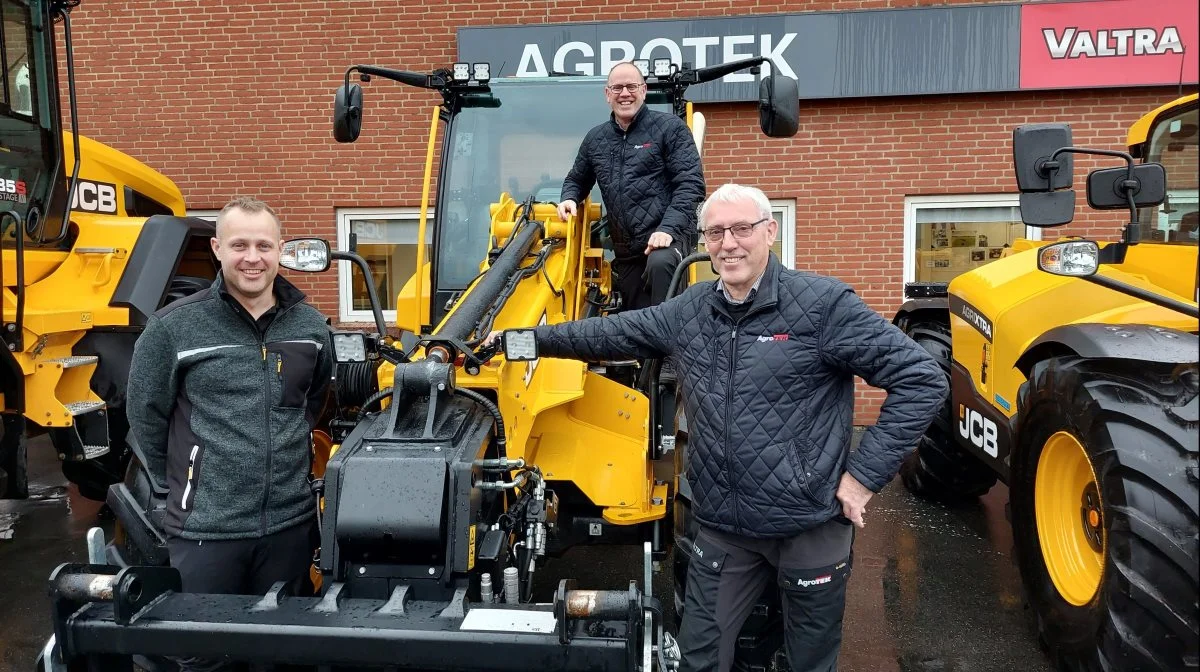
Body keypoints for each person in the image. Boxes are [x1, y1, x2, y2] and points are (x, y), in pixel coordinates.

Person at [488, 184, 948, 671]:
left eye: (741, 229)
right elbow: (609, 331)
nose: (728, 243)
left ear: (770, 232)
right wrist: (521, 341)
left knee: (809, 663)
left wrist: (861, 479)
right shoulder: (691, 311)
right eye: (715, 232)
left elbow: (921, 380)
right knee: (700, 659)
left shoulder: (822, 306)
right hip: (725, 527)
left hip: (810, 527)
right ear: (704, 241)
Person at [126, 196, 333, 671]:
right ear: (218, 249)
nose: (252, 257)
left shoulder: (311, 327)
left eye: (264, 244)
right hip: (206, 532)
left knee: (282, 654)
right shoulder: (174, 328)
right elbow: (146, 414)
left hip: (288, 528)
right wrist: (181, 485)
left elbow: (312, 405)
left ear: (280, 250)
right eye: (239, 244)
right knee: (205, 658)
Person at [557, 61, 706, 311]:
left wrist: (667, 230)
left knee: (661, 268)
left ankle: (668, 347)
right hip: (627, 254)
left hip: (667, 241)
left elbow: (691, 186)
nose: (624, 93)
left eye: (631, 86)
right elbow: (576, 179)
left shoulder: (670, 129)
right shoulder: (596, 139)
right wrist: (570, 198)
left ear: (644, 90)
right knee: (632, 326)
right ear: (607, 95)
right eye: (617, 88)